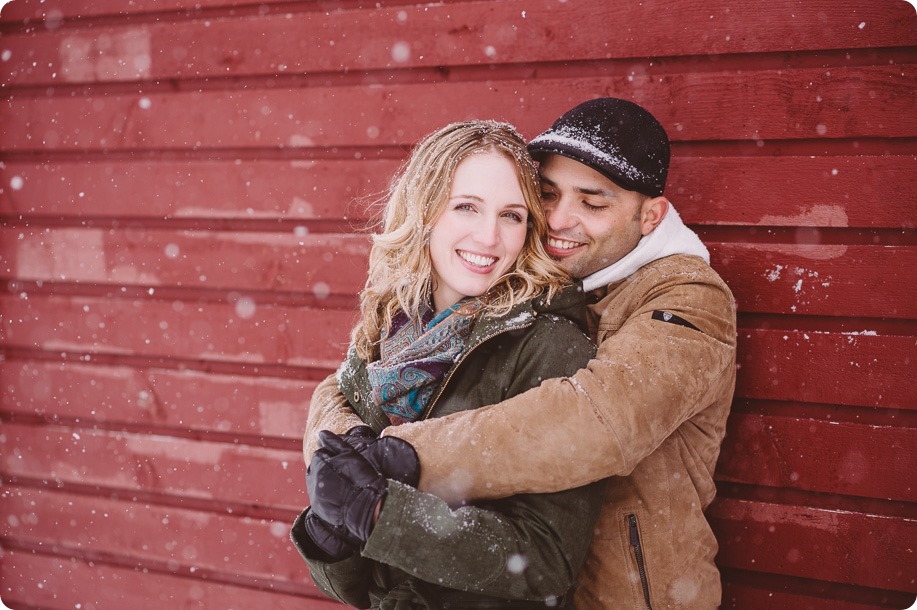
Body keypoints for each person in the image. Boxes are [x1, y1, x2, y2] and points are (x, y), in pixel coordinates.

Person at [304, 98, 738, 609]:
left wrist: (401, 459)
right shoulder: (480, 308)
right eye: (547, 196)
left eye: (592, 204)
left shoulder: (686, 300)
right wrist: (336, 467)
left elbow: (597, 421)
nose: (557, 220)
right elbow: (344, 384)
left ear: (650, 216)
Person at [291, 120, 607, 608]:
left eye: (511, 215)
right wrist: (329, 536)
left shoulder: (549, 346)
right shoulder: (383, 334)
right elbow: (356, 591)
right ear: (425, 211)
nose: (489, 237)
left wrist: (383, 516)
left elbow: (547, 561)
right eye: (467, 207)